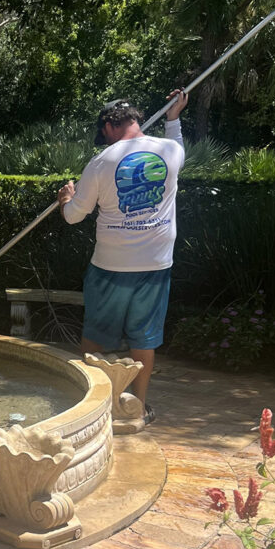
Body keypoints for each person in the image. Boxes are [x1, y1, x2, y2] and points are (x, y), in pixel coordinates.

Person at [56, 89, 189, 423]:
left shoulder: (101, 163)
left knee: (96, 341)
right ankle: (138, 409)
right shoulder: (170, 151)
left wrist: (65, 198)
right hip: (156, 267)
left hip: (110, 267)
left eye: (103, 135)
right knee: (144, 341)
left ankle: (89, 411)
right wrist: (174, 119)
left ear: (110, 127)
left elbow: (74, 216)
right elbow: (179, 143)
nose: (104, 141)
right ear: (136, 120)